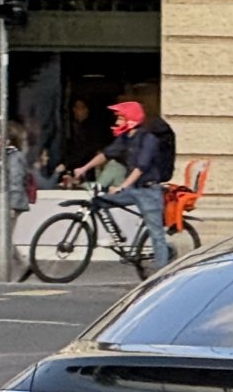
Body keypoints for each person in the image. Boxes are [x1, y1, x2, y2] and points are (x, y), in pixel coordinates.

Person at [72, 100, 170, 273]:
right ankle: (115, 236)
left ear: (130, 119)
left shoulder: (149, 139)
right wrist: (84, 168)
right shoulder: (125, 138)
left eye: (120, 119)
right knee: (99, 201)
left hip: (148, 191)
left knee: (156, 235)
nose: (116, 123)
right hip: (133, 189)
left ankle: (162, 274)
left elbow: (141, 167)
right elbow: (106, 154)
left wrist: (122, 186)